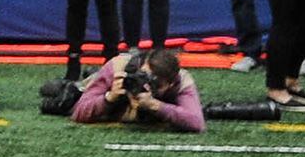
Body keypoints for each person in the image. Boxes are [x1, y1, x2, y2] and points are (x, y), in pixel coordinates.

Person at [69, 49, 206, 131]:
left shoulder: (181, 80)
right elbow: (79, 113)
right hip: (96, 88)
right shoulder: (119, 67)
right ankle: (87, 77)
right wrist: (109, 98)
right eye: (143, 76)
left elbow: (197, 122)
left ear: (170, 84)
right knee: (62, 96)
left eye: (156, 84)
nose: (146, 84)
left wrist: (156, 105)